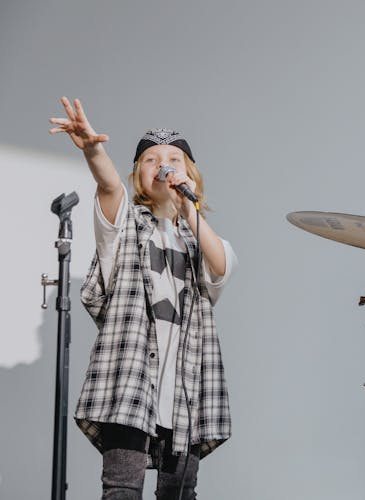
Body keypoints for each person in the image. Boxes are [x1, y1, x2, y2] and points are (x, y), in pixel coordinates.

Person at [49, 97, 238, 499]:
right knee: (122, 488)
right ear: (139, 175)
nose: (164, 165)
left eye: (174, 158)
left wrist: (189, 208)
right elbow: (108, 186)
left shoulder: (200, 238)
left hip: (187, 390)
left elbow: (219, 266)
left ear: (191, 174)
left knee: (180, 492)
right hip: (129, 384)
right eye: (152, 159)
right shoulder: (126, 227)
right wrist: (93, 149)